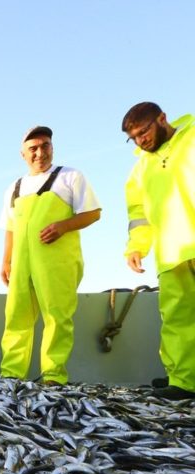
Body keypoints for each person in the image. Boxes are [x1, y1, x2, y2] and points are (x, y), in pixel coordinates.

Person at [0, 126, 101, 385]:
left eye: (45, 146)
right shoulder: (14, 187)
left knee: (57, 318)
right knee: (16, 317)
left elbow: (93, 212)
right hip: (22, 265)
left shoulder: (70, 176)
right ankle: (11, 375)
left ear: (52, 148)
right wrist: (6, 260)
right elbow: (10, 227)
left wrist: (62, 226)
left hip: (57, 263)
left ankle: (53, 376)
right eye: (33, 148)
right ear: (23, 154)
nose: (40, 152)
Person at [122, 102, 195, 401]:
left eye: (144, 132)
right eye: (134, 137)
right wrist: (136, 247)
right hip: (170, 252)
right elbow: (138, 214)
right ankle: (183, 381)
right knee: (176, 320)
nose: (141, 141)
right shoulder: (139, 169)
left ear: (162, 119)